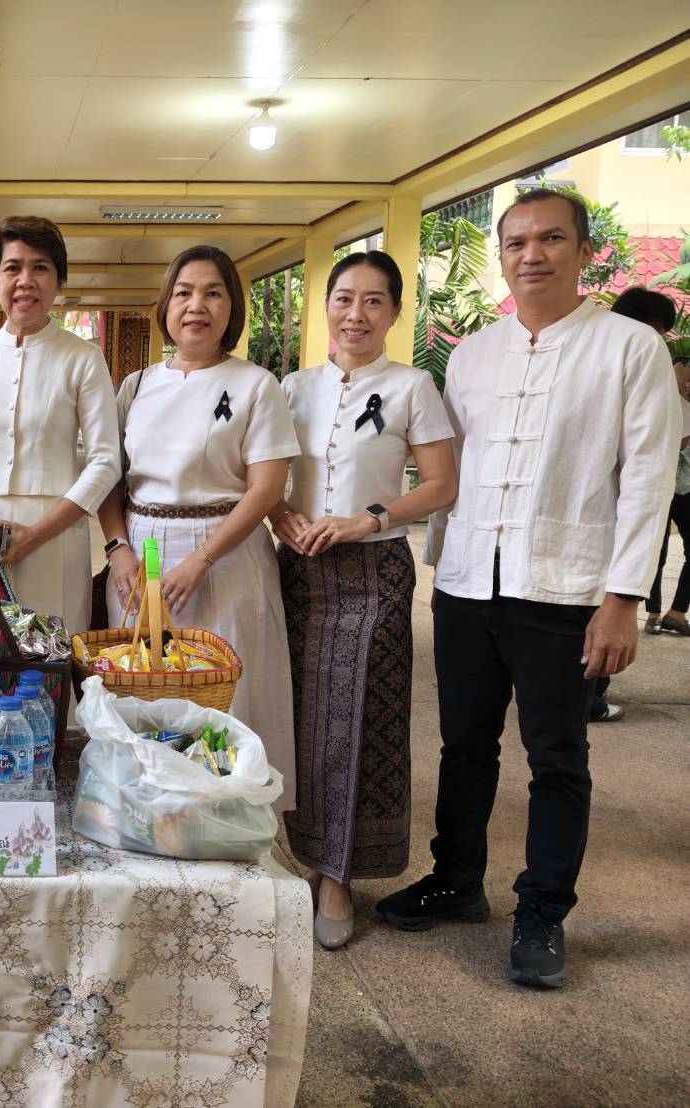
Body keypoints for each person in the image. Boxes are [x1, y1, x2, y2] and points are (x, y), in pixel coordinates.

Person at [377, 189, 680, 989]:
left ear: (583, 252)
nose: (530, 254)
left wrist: (624, 597)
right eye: (515, 242)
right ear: (502, 255)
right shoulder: (472, 354)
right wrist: (442, 569)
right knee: (462, 746)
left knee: (556, 759)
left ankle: (542, 912)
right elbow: (453, 472)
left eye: (550, 239)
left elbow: (647, 479)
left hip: (566, 587)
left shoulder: (626, 348)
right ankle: (456, 881)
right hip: (470, 583)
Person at [270, 251, 458, 950]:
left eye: (373, 302)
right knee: (289, 715)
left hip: (373, 570)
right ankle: (286, 852)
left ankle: (338, 873)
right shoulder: (289, 388)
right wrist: (278, 518)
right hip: (293, 571)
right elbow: (267, 477)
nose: (356, 314)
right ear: (324, 305)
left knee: (355, 721)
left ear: (392, 312)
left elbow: (440, 483)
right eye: (343, 299)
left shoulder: (412, 387)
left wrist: (367, 519)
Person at [96, 244, 300, 807]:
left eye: (213, 292)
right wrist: (117, 549)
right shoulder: (134, 387)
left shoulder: (258, 384)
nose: (197, 306)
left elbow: (266, 487)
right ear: (166, 305)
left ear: (232, 307)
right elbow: (109, 480)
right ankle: (146, 817)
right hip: (139, 556)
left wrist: (202, 557)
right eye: (184, 292)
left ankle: (232, 821)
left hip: (227, 556)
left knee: (229, 695)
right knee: (145, 687)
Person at [0, 216, 119, 631]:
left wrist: (35, 534)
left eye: (41, 267)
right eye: (12, 267)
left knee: (54, 654)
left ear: (58, 281)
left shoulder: (83, 358)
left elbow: (106, 460)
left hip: (55, 536)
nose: (26, 280)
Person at [586, 287, 683, 718]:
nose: (660, 340)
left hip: (605, 513)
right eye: (660, 330)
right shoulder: (639, 354)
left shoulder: (591, 351)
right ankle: (591, 697)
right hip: (611, 514)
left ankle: (589, 696)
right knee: (600, 607)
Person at [645, 353, 690, 636]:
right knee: (654, 553)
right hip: (657, 484)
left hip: (686, 489)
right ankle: (652, 613)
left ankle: (676, 612)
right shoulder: (666, 402)